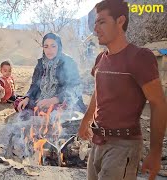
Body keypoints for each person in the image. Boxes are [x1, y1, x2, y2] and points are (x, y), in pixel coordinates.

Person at [77, 0, 167, 180]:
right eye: (95, 23)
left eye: (101, 22)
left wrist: (155, 152)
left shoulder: (140, 57)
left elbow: (158, 104)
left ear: (120, 21)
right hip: (97, 143)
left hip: (123, 146)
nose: (95, 29)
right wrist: (85, 121)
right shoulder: (101, 58)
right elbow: (98, 93)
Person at [16, 32, 86, 114]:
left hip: (61, 100)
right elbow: (34, 85)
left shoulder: (69, 62)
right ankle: (42, 111)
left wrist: (54, 100)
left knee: (59, 110)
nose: (49, 50)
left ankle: (43, 112)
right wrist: (27, 98)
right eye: (46, 46)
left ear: (59, 47)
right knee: (19, 103)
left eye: (53, 46)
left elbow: (74, 87)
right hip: (42, 98)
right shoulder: (40, 63)